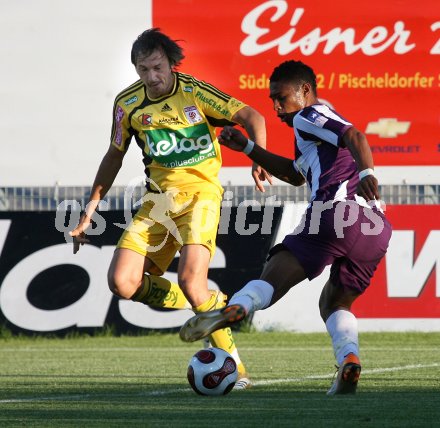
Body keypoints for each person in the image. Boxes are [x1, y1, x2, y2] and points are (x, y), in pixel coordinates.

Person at [69, 28, 270, 390]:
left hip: (201, 197)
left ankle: (236, 370)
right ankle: (209, 305)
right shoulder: (127, 105)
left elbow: (254, 117)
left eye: (157, 67)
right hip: (157, 203)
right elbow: (114, 156)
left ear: (171, 63)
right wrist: (90, 211)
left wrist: (259, 156)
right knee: (122, 283)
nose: (152, 77)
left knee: (193, 280)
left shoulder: (194, 92)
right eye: (143, 70)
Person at [179, 59, 393, 395]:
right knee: (335, 304)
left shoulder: (310, 115)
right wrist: (250, 149)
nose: (277, 107)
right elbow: (295, 175)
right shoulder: (311, 130)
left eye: (282, 98)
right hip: (375, 229)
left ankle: (239, 306)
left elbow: (355, 135)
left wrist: (368, 174)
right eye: (272, 100)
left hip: (336, 215)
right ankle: (348, 359)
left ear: (305, 91)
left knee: (271, 279)